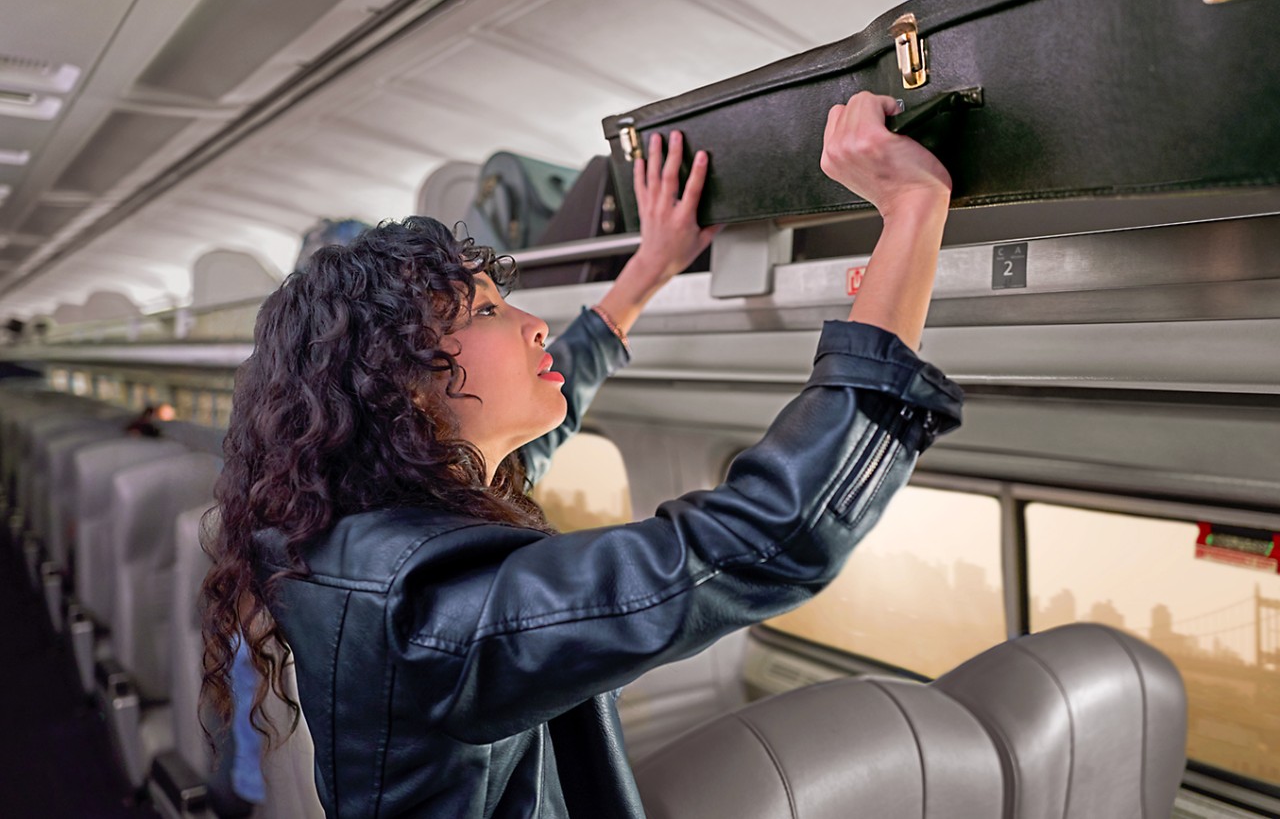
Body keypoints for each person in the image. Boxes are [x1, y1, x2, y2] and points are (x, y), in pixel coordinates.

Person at [200, 91, 963, 818]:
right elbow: (767, 535)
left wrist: (652, 265)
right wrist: (911, 210)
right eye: (490, 311)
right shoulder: (429, 612)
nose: (534, 324)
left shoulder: (360, 532)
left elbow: (546, 427)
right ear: (401, 384)